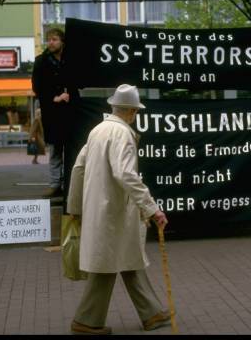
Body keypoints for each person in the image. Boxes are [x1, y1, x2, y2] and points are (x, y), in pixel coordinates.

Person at [67, 84, 171, 335]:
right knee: (109, 263)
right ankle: (87, 321)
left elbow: (78, 169)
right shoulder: (123, 134)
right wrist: (151, 208)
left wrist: (75, 208)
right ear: (133, 111)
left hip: (100, 210)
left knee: (126, 257)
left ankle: (152, 313)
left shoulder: (97, 131)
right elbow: (126, 174)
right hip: (115, 211)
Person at [32, 28, 77, 197]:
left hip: (71, 112)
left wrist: (70, 95)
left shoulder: (70, 61)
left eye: (54, 39)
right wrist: (55, 97)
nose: (51, 42)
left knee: (70, 149)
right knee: (55, 149)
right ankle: (54, 184)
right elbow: (37, 87)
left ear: (62, 42)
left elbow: (77, 82)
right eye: (49, 39)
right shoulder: (41, 61)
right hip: (52, 112)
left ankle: (68, 185)